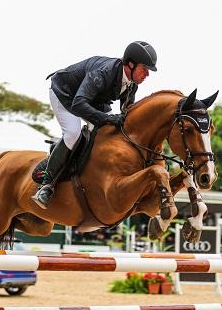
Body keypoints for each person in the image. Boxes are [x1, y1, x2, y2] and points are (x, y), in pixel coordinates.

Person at [32, 41, 158, 209]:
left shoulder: (132, 83)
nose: (147, 75)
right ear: (131, 64)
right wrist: (106, 119)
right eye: (145, 69)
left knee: (110, 131)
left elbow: (126, 113)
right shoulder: (104, 72)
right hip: (66, 95)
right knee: (73, 133)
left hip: (93, 100)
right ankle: (47, 184)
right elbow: (78, 104)